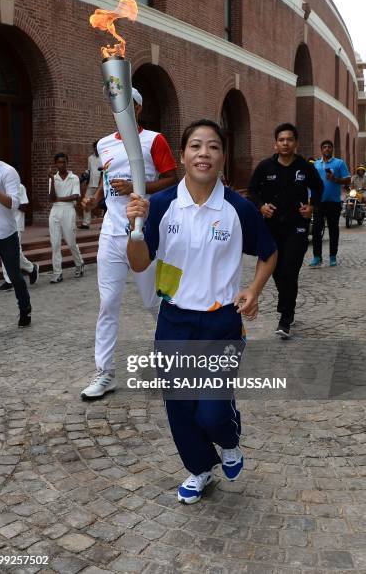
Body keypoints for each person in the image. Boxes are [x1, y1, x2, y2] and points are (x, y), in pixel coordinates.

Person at [126, 119, 277, 504]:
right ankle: (199, 469)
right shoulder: (159, 205)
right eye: (195, 146)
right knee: (180, 405)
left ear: (222, 157)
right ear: (182, 156)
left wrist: (253, 290)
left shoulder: (237, 208)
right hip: (174, 319)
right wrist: (135, 228)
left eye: (212, 146)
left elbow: (269, 252)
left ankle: (229, 439)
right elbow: (139, 263)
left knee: (211, 411)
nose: (204, 153)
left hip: (220, 321)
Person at [80, 88, 178, 399]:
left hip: (143, 230)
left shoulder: (154, 140)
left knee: (153, 301)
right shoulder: (104, 144)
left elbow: (172, 178)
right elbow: (107, 182)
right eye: (113, 105)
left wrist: (139, 187)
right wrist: (93, 200)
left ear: (137, 108)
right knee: (108, 304)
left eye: (124, 105)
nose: (117, 110)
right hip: (111, 231)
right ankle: (105, 372)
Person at [248, 123, 323, 339]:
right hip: (271, 228)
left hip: (297, 227)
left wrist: (312, 207)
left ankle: (285, 318)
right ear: (276, 143)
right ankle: (287, 303)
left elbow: (318, 188)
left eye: (289, 140)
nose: (285, 143)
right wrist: (261, 206)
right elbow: (252, 191)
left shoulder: (305, 167)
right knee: (277, 271)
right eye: (281, 140)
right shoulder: (265, 167)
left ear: (296, 143)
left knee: (290, 270)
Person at [0, 129, 32, 330]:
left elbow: (14, 204)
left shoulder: (7, 171)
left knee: (14, 276)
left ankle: (25, 308)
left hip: (5, 233)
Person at [309, 140, 350, 268]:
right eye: (324, 147)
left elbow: (348, 179)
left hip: (334, 202)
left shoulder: (339, 163)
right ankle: (317, 257)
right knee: (316, 230)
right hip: (319, 203)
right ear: (321, 150)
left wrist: (335, 179)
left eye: (329, 147)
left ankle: (333, 257)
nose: (327, 149)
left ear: (332, 149)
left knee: (333, 230)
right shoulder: (315, 165)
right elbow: (311, 184)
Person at [48, 153, 84, 283]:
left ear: (67, 163)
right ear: (55, 164)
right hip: (55, 210)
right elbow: (51, 199)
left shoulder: (73, 178)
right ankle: (57, 273)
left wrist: (60, 198)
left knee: (70, 241)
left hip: (68, 209)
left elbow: (75, 196)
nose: (61, 165)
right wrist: (52, 181)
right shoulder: (53, 178)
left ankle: (79, 263)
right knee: (55, 243)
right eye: (59, 162)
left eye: (63, 162)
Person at [0, 181, 39, 292]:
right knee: (3, 251)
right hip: (2, 224)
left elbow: (24, 206)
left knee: (15, 251)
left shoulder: (19, 186)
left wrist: (8, 202)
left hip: (16, 223)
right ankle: (8, 280)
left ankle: (31, 268)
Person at [79, 141, 102, 229]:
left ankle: (104, 224)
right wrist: (84, 176)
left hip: (101, 185)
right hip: (91, 184)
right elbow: (89, 170)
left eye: (98, 147)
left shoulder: (104, 157)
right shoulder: (90, 158)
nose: (96, 149)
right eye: (95, 147)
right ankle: (86, 223)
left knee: (103, 204)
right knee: (86, 202)